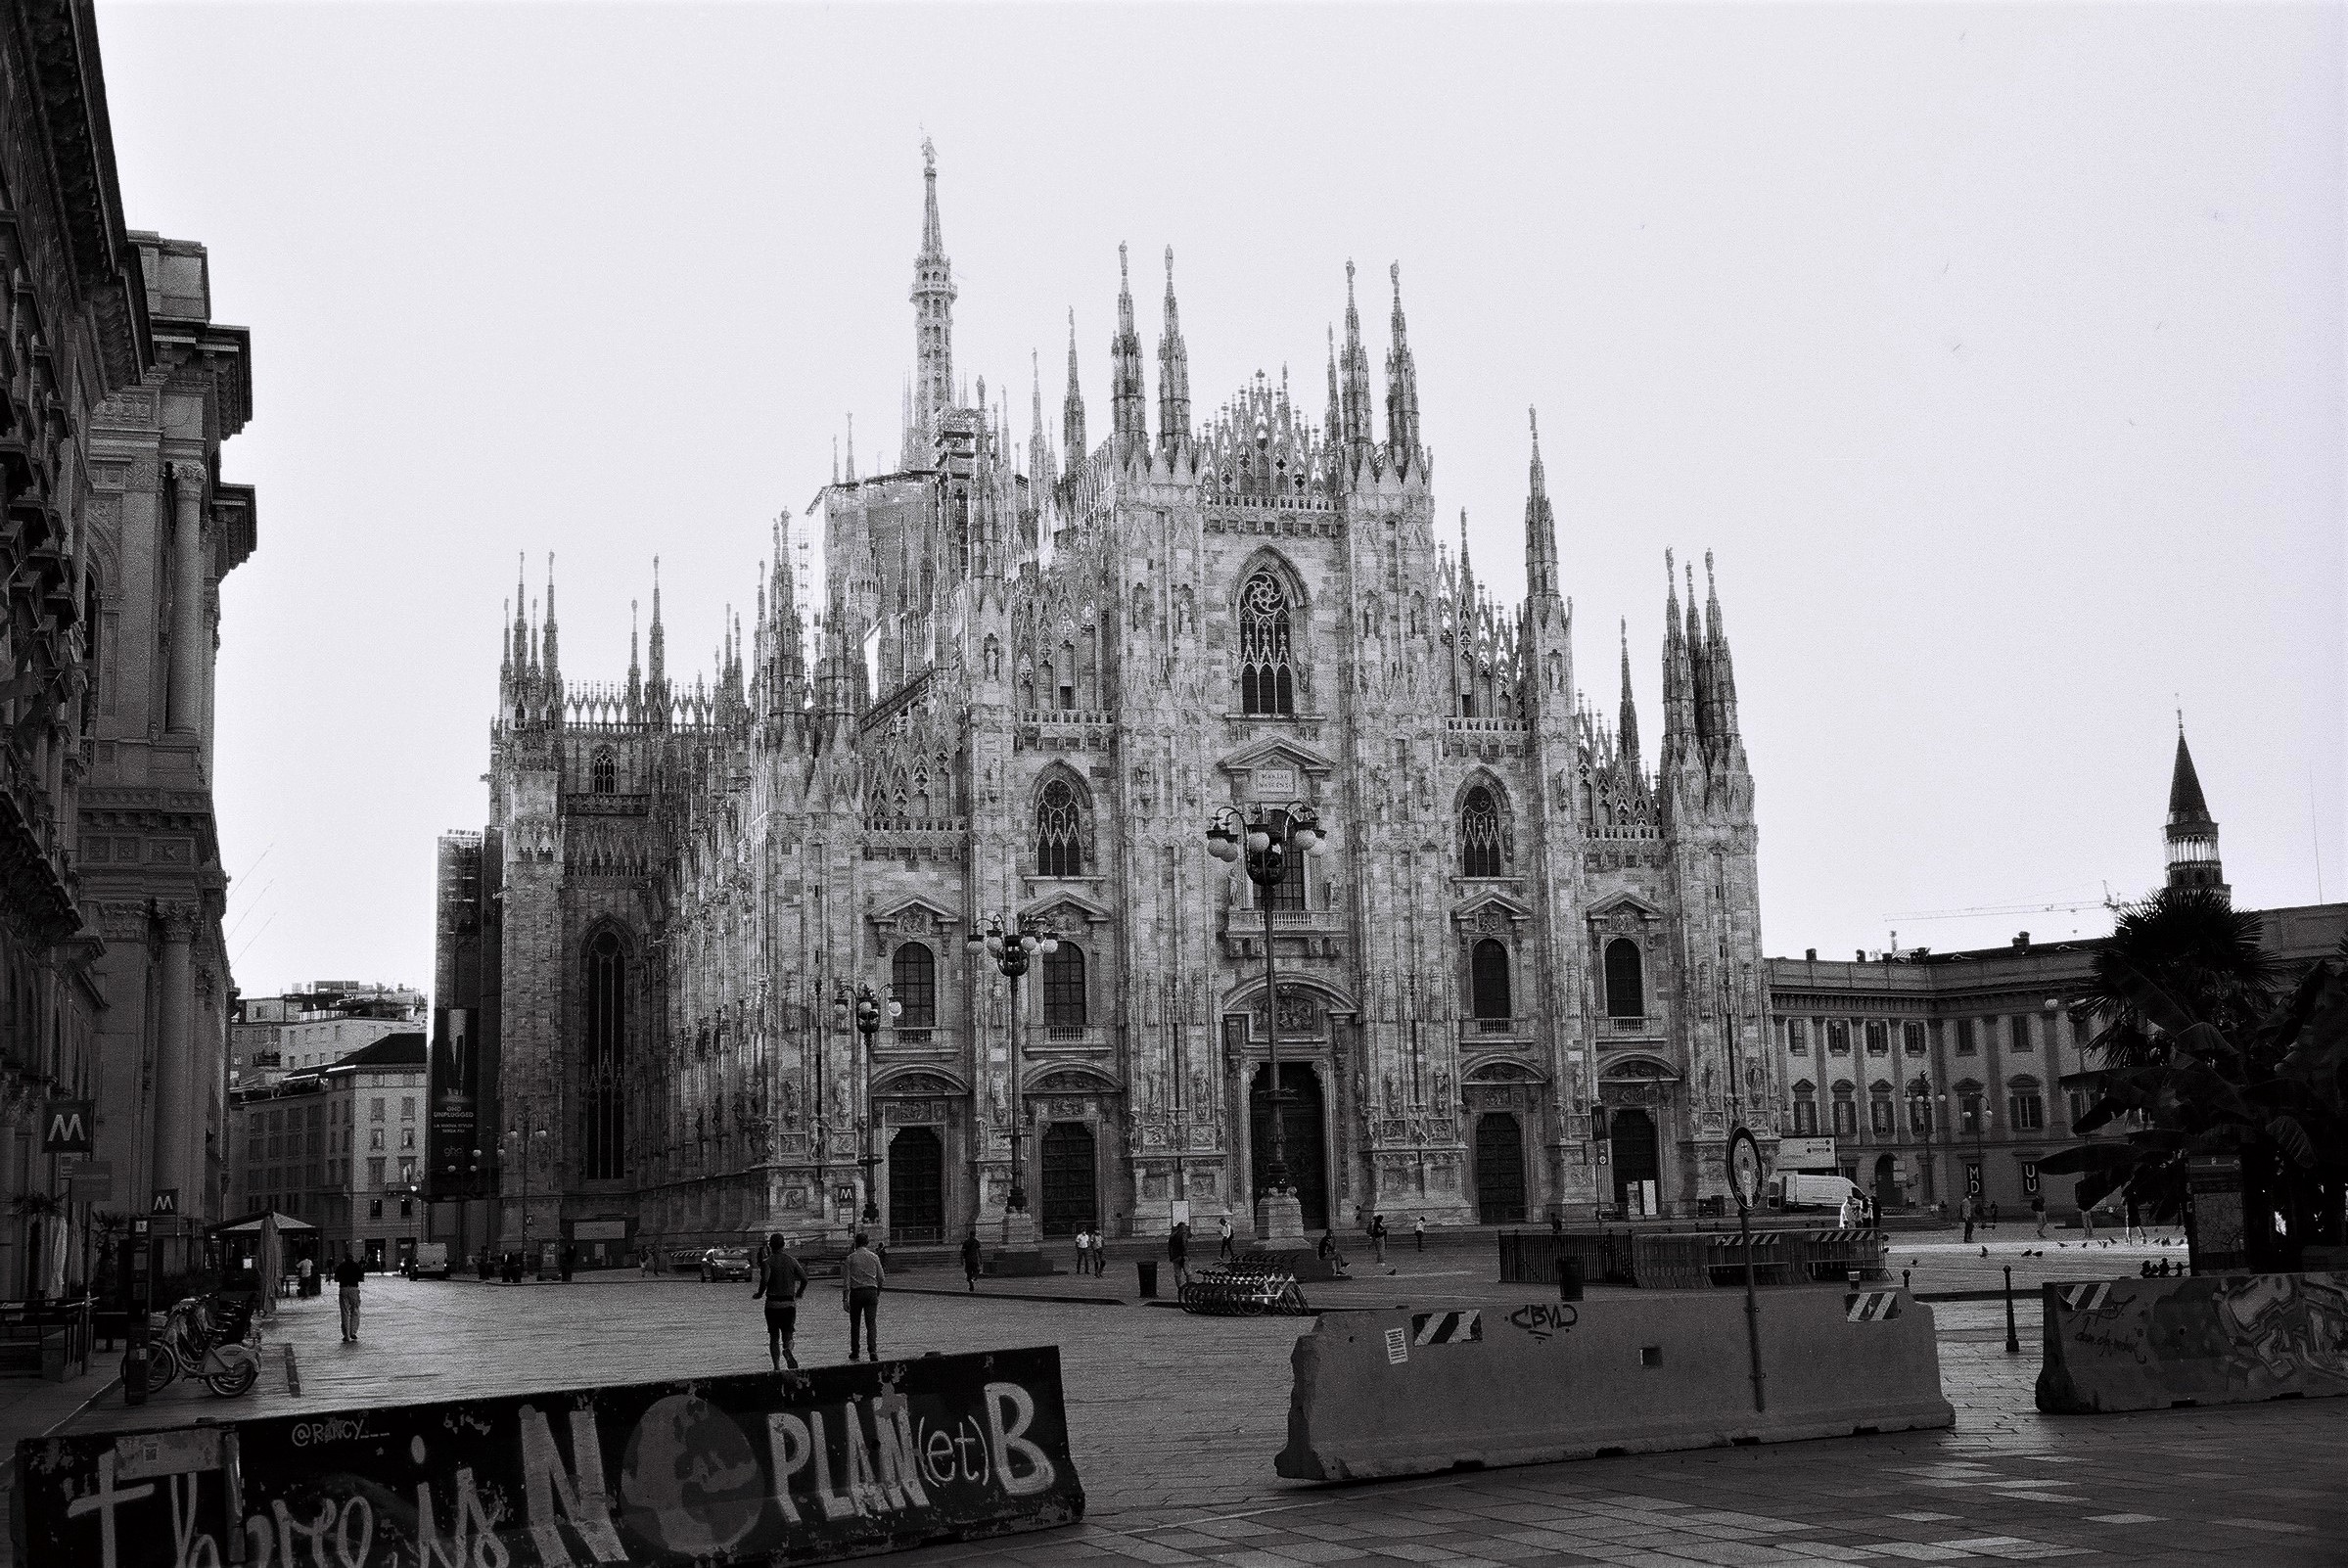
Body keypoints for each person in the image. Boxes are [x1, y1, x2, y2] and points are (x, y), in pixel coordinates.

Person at [752, 1232, 807, 1370]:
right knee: (788, 1335)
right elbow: (804, 1279)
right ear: (784, 1245)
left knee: (774, 1337)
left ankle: (777, 1367)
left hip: (772, 1304)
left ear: (770, 1246)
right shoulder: (792, 1261)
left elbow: (764, 1281)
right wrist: (799, 1292)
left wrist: (759, 1294)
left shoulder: (767, 1263)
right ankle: (788, 1349)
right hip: (788, 1304)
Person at [842, 1232, 885, 1362]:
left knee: (855, 1324)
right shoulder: (874, 1257)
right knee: (871, 1323)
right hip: (871, 1291)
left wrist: (845, 1299)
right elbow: (881, 1277)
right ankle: (872, 1350)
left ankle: (855, 1351)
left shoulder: (850, 1258)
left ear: (855, 1243)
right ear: (867, 1243)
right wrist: (877, 1291)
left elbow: (846, 1282)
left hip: (856, 1293)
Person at [334, 1247, 366, 1343]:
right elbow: (361, 1278)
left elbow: (336, 1279)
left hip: (343, 1288)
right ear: (352, 1258)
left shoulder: (341, 1266)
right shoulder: (356, 1266)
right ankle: (353, 1332)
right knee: (355, 1310)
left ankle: (346, 1335)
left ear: (345, 1258)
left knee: (344, 1312)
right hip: (354, 1288)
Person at [1168, 1222, 1191, 1288]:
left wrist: (1171, 1257)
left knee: (1177, 1274)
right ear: (1182, 1228)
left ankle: (1180, 1289)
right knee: (1188, 1273)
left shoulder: (1172, 1235)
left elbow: (1169, 1247)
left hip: (1175, 1257)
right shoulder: (1183, 1234)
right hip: (1183, 1256)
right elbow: (1184, 1245)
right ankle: (1188, 1288)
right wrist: (1186, 1255)